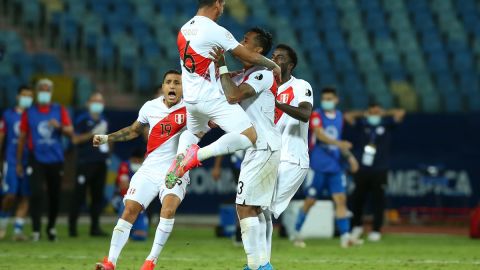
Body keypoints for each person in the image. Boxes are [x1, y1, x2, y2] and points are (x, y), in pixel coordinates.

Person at [164, 0, 282, 188]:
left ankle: (178, 163)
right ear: (217, 4)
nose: (223, 8)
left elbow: (203, 62)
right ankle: (196, 156)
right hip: (211, 98)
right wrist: (274, 65)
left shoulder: (184, 29)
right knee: (250, 136)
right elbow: (248, 56)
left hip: (191, 101)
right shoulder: (216, 30)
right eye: (223, 4)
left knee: (193, 133)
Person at [94, 70, 190, 270]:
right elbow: (133, 131)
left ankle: (150, 261)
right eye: (168, 82)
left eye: (177, 83)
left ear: (184, 87)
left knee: (168, 209)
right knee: (129, 209)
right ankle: (110, 262)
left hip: (176, 169)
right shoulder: (150, 107)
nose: (172, 86)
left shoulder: (191, 109)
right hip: (150, 168)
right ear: (163, 87)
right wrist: (106, 138)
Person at [210, 27, 281, 270]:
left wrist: (221, 64)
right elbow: (224, 99)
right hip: (257, 147)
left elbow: (233, 96)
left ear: (258, 50)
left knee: (243, 206)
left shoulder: (263, 73)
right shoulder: (244, 73)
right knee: (254, 207)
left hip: (264, 146)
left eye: (245, 41)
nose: (240, 43)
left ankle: (255, 265)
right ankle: (262, 264)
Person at [293, 87, 360, 248]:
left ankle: (345, 236)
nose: (326, 101)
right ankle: (296, 233)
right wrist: (339, 144)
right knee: (310, 201)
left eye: (329, 98)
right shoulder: (316, 114)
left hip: (335, 166)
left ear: (336, 100)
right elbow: (320, 134)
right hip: (318, 165)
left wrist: (350, 158)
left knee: (341, 200)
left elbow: (338, 140)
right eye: (324, 98)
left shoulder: (339, 117)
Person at [265, 44, 313, 256]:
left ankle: (260, 262)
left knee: (262, 210)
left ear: (290, 65)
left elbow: (305, 114)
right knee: (258, 210)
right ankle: (260, 262)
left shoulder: (300, 86)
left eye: (281, 58)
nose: (275, 60)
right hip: (269, 158)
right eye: (273, 56)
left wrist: (276, 103)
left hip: (292, 159)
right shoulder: (265, 87)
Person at [17, 79, 74, 242]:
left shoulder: (59, 110)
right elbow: (22, 138)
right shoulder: (29, 112)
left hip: (55, 159)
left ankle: (51, 227)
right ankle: (35, 230)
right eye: (41, 89)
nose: (44, 92)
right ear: (37, 92)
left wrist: (59, 127)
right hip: (36, 158)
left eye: (47, 89)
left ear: (51, 92)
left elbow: (70, 131)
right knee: (36, 194)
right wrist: (20, 162)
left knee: (54, 195)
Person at [345, 103, 405, 242]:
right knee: (358, 199)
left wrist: (384, 113)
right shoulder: (363, 125)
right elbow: (348, 116)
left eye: (377, 113)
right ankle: (357, 226)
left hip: (380, 169)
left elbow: (400, 112)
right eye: (372, 113)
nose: (374, 115)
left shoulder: (386, 124)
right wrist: (364, 114)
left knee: (378, 201)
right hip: (363, 169)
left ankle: (376, 230)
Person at [68, 92, 110, 237]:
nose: (98, 104)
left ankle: (95, 227)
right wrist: (92, 133)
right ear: (88, 103)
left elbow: (105, 141)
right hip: (85, 162)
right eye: (95, 101)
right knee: (79, 196)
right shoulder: (82, 119)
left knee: (97, 197)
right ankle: (72, 228)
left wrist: (106, 143)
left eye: (100, 101)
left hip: (100, 162)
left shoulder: (104, 119)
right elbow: (75, 140)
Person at [0, 86, 34, 240]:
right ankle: (2, 224)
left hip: (30, 161)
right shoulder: (8, 115)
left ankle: (18, 230)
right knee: (10, 195)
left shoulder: (34, 115)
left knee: (25, 196)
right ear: (18, 97)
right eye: (24, 95)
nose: (27, 98)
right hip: (12, 160)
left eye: (30, 96)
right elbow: (1, 137)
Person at [113, 148, 149, 241]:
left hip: (140, 200)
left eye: (139, 160)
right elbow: (123, 186)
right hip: (126, 199)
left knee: (140, 237)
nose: (137, 162)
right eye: (135, 160)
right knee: (125, 210)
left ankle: (132, 233)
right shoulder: (125, 165)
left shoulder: (146, 167)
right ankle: (122, 235)